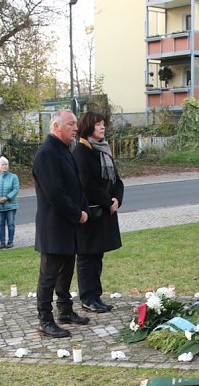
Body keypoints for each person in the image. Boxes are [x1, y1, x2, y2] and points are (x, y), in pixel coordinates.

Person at [31, 110, 90, 338]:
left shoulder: (64, 150)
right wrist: (77, 214)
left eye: (75, 124)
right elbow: (55, 193)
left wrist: (83, 207)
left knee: (66, 270)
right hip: (54, 225)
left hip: (68, 224)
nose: (76, 128)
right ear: (56, 126)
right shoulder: (46, 153)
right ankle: (45, 319)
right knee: (49, 275)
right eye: (71, 124)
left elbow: (76, 185)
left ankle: (65, 310)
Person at [72, 111, 124, 313]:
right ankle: (87, 297)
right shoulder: (81, 152)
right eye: (98, 124)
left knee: (98, 255)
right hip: (91, 212)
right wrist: (106, 200)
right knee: (87, 256)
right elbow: (85, 184)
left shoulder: (104, 150)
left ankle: (96, 295)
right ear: (88, 127)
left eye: (103, 123)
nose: (102, 127)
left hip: (106, 211)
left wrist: (117, 198)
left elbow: (116, 180)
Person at [0, 156, 19, 249]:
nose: (5, 166)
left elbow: (15, 189)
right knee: (0, 224)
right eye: (3, 164)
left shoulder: (13, 177)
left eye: (6, 164)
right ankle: (2, 242)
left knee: (11, 224)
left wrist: (7, 197)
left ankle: (10, 241)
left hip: (10, 205)